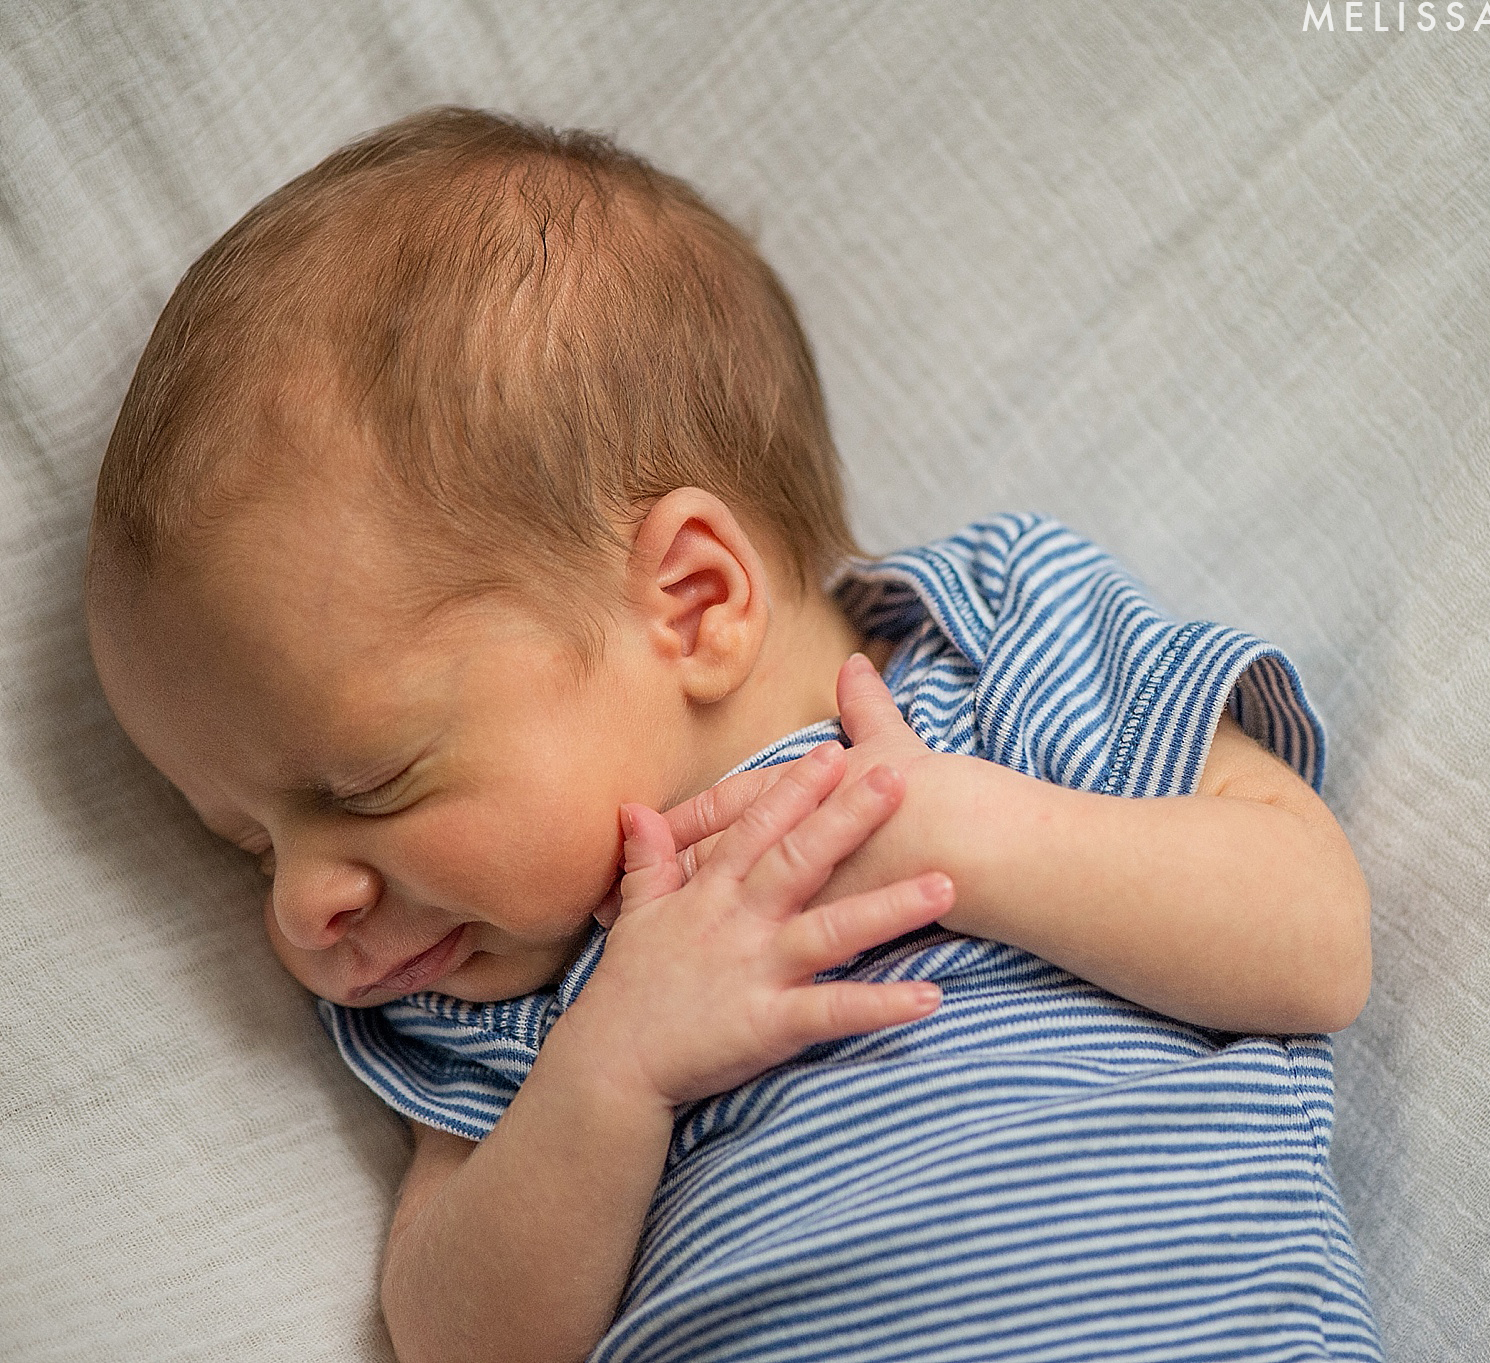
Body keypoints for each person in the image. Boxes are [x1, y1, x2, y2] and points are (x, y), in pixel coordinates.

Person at [84, 107, 1381, 1363]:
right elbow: (458, 1339)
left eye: (368, 783)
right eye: (250, 844)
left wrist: (959, 832)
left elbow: (1314, 939)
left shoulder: (993, 653)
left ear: (694, 602)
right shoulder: (502, 1001)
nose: (304, 902)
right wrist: (615, 1073)